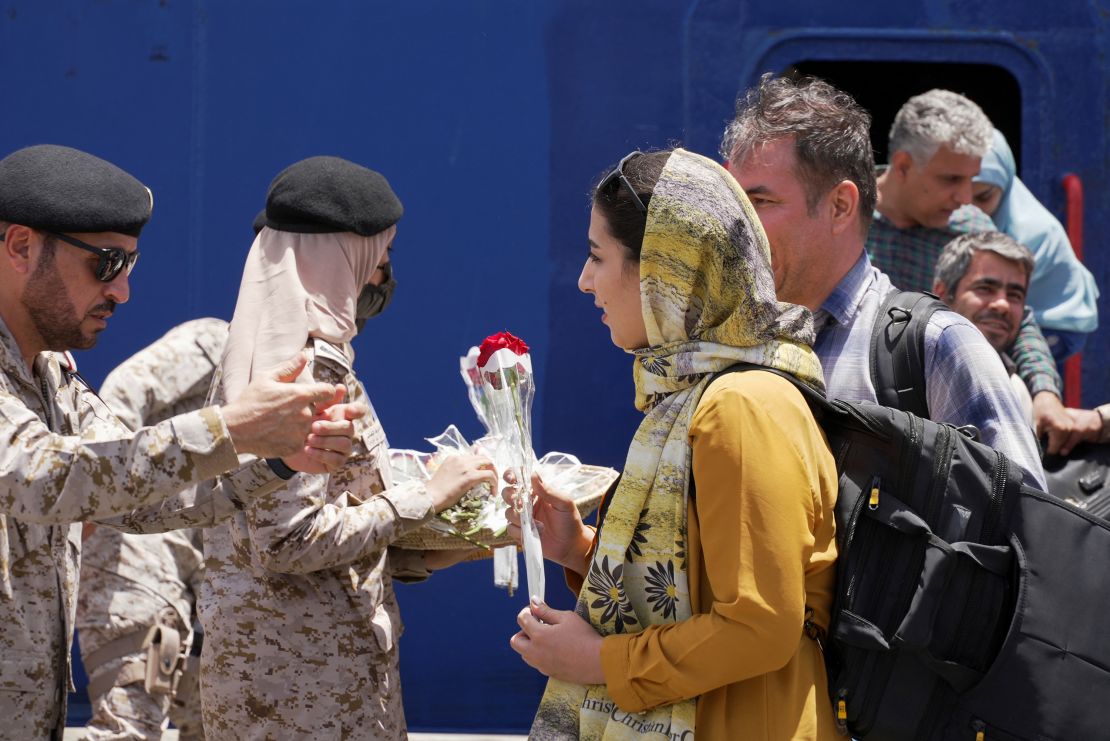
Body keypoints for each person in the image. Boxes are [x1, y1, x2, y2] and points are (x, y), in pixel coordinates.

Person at [0, 144, 361, 740]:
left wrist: (272, 460)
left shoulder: (48, 372)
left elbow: (139, 500)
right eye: (107, 264)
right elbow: (40, 476)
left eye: (129, 268)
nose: (121, 293)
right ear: (20, 246)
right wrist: (233, 428)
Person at [508, 148, 839, 739]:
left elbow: (761, 625)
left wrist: (599, 662)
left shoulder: (744, 408)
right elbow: (700, 584)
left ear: (664, 272)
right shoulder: (699, 395)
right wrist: (578, 548)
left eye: (596, 256)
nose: (585, 281)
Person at [199, 156, 497, 740]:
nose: (382, 275)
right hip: (304, 698)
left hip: (293, 683)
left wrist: (442, 540)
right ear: (340, 258)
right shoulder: (303, 368)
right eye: (376, 258)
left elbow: (314, 512)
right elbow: (287, 542)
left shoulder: (282, 350)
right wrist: (426, 498)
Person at [720, 74, 1046, 485]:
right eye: (735, 200)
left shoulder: (941, 346)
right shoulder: (723, 343)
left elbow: (1023, 531)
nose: (736, 223)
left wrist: (1045, 389)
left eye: (760, 201)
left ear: (841, 206)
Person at [865, 88, 1073, 447]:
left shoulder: (971, 226)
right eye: (951, 180)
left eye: (972, 181)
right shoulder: (844, 214)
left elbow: (1017, 319)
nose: (964, 198)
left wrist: (1045, 393)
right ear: (902, 166)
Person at [77, 317, 229, 741]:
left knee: (216, 729)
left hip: (206, 574)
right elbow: (125, 391)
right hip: (138, 551)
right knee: (129, 726)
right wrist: (101, 492)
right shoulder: (222, 343)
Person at [933, 231, 1107, 456]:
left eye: (1014, 295)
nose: (1002, 305)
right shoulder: (902, 371)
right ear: (943, 294)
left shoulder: (1017, 393)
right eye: (985, 289)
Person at [972, 128, 1100, 362]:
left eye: (983, 197)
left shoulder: (1033, 233)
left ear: (1006, 183)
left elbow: (1010, 313)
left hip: (1056, 324)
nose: (969, 209)